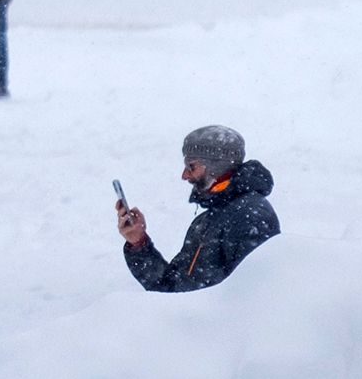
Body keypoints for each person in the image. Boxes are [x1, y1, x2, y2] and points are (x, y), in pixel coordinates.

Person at [118, 124, 280, 291]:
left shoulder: (250, 215)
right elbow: (171, 286)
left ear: (215, 166)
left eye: (191, 166)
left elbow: (256, 294)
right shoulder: (208, 220)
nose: (184, 175)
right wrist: (138, 243)